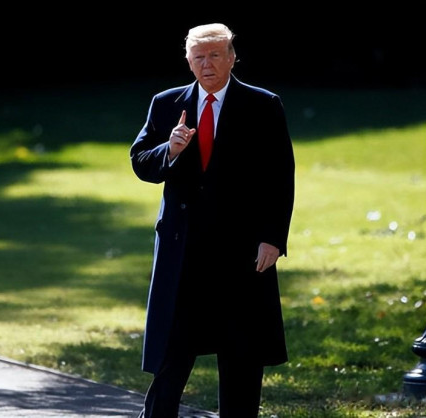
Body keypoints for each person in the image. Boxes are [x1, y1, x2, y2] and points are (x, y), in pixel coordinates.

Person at [129, 23, 295, 417]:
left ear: (232, 58)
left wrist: (272, 238)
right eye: (199, 57)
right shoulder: (165, 104)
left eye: (215, 55)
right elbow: (141, 162)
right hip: (182, 252)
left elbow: (280, 177)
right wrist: (170, 149)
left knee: (242, 356)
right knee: (171, 357)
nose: (207, 64)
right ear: (189, 61)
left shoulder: (263, 104)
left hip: (241, 253)